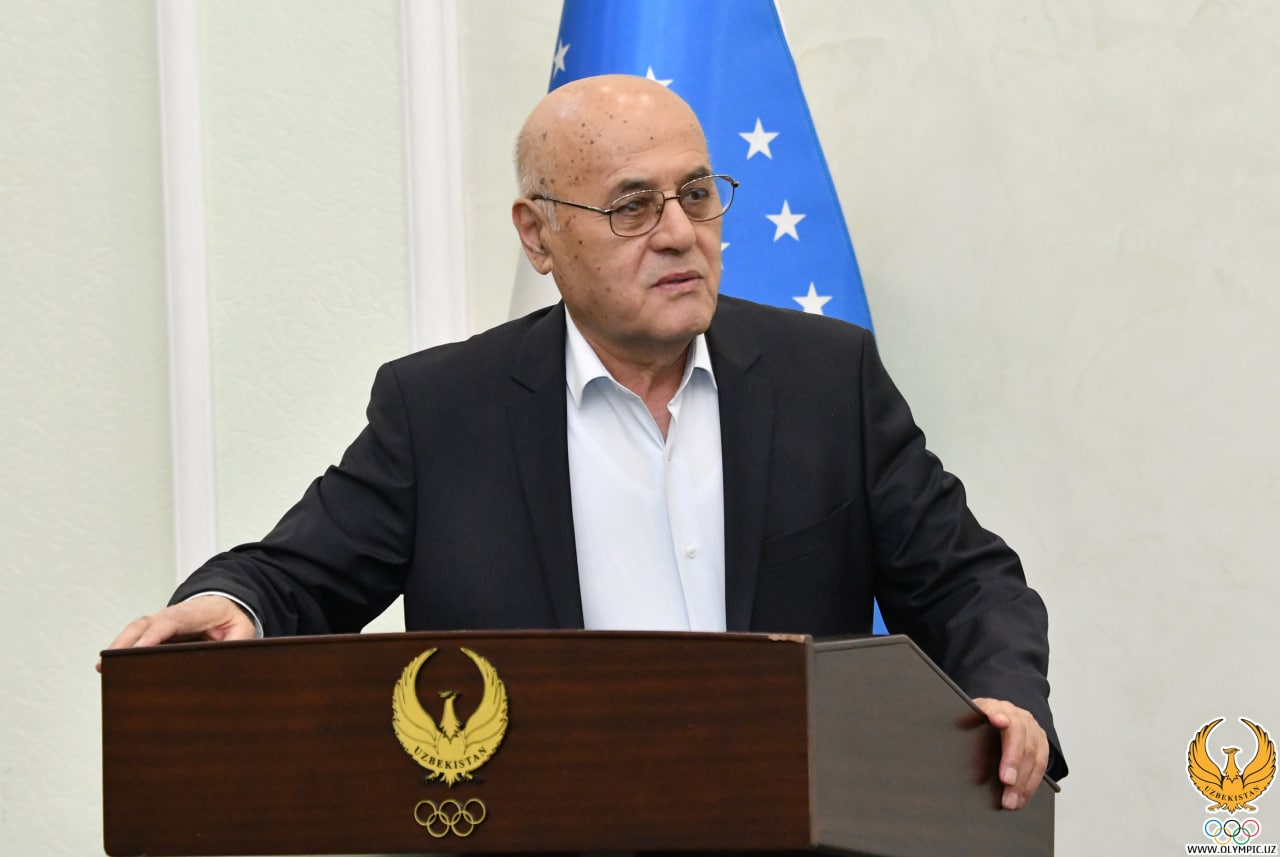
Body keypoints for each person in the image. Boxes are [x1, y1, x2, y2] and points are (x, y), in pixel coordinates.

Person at [105, 74, 1065, 808]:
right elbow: (296, 576)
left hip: (793, 826)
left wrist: (1005, 696)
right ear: (538, 235)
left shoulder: (826, 379)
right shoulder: (441, 411)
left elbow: (967, 582)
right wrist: (233, 603)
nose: (680, 232)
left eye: (698, 193)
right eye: (632, 206)